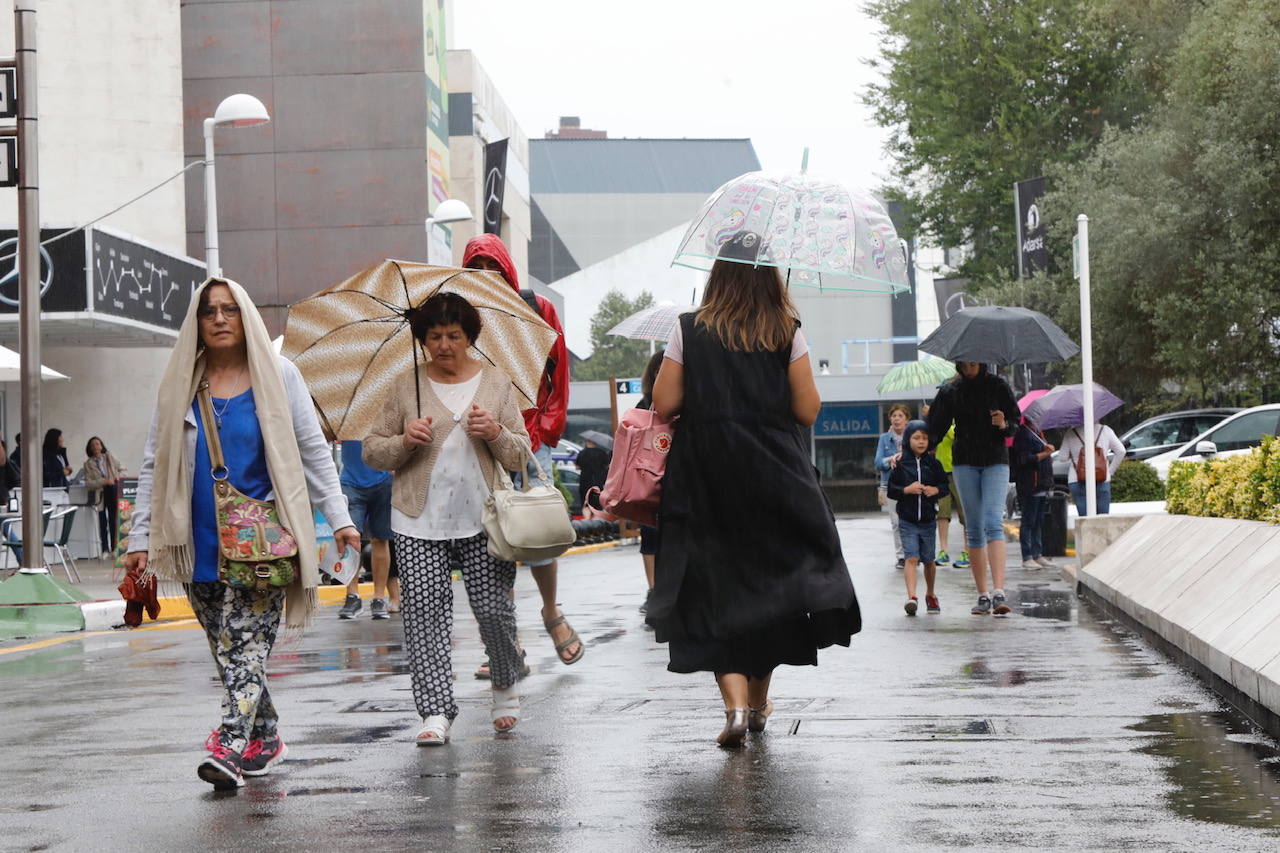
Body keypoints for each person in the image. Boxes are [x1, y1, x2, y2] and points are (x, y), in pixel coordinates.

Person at [126, 278, 359, 790]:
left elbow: (312, 451)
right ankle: (267, 735)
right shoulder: (180, 382)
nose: (220, 318)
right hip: (195, 543)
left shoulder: (280, 375)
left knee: (244, 647)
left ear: (246, 315)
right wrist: (139, 538)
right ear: (197, 322)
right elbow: (154, 461)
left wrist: (340, 518)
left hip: (264, 544)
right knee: (230, 651)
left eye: (230, 309)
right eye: (209, 311)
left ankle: (229, 744)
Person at [648, 232, 861, 748]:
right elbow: (808, 410)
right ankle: (760, 702)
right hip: (773, 475)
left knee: (715, 590)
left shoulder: (688, 330)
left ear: (717, 273)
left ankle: (737, 708)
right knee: (772, 590)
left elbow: (664, 402)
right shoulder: (786, 330)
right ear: (769, 274)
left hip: (705, 476)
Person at [364, 292, 532, 745]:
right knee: (423, 616)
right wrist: (404, 440)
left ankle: (504, 684)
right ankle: (436, 710)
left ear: (469, 337)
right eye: (434, 336)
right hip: (417, 521)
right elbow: (372, 450)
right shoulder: (404, 387)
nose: (444, 344)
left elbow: (520, 453)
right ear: (421, 339)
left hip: (485, 520)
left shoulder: (496, 384)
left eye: (454, 335)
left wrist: (495, 432)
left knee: (495, 611)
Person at [462, 234, 582, 668]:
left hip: (531, 439)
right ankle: (502, 638)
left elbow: (559, 372)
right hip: (480, 440)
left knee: (539, 530)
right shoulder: (462, 318)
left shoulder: (535, 308)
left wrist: (548, 430)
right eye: (476, 271)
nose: (486, 278)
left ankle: (552, 612)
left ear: (507, 270)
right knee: (495, 538)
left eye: (493, 269)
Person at [927, 362, 1020, 616]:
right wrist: (921, 443)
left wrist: (1003, 424)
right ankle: (982, 594)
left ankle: (999, 591)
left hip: (995, 461)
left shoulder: (998, 386)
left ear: (981, 361)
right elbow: (935, 427)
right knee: (974, 527)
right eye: (964, 361)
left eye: (973, 361)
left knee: (992, 522)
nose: (969, 366)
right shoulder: (951, 391)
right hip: (965, 462)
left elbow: (1015, 420)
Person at [886, 419, 949, 615]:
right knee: (911, 558)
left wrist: (934, 489)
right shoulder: (901, 464)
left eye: (924, 438)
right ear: (908, 440)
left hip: (928, 520)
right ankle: (911, 596)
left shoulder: (934, 464)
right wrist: (907, 489)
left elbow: (945, 487)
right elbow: (891, 490)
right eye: (916, 438)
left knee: (929, 560)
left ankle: (930, 594)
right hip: (907, 520)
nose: (921, 442)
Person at [336, 439, 400, 619]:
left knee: (381, 539)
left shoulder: (383, 414)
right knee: (350, 540)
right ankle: (352, 596)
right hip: (350, 481)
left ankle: (379, 598)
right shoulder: (346, 415)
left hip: (383, 479)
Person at [635, 349, 665, 619]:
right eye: (658, 370)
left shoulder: (688, 401)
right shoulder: (643, 405)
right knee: (649, 534)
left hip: (677, 477)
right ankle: (653, 590)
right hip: (649, 478)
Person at [1011, 416, 1057, 569]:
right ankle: (1027, 556)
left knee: (1038, 521)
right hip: (1029, 485)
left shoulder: (1039, 433)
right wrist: (1045, 453)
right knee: (1029, 521)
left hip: (1042, 484)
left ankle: (1038, 554)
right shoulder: (1023, 434)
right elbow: (1023, 460)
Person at [1058, 422, 1126, 517]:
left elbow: (1062, 457)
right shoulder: (1105, 430)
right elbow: (1121, 451)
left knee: (1085, 518)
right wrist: (1110, 471)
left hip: (1077, 478)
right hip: (1102, 478)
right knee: (1102, 518)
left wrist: (1074, 454)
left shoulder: (1071, 433)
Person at [875, 404, 910, 569]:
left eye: (900, 416)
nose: (896, 419)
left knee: (910, 520)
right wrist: (891, 459)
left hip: (910, 484)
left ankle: (912, 552)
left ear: (906, 420)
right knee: (896, 522)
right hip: (890, 485)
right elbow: (878, 463)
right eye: (894, 416)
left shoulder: (912, 437)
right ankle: (901, 556)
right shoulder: (884, 438)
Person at [81, 437, 127, 557]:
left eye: (98, 444)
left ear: (101, 446)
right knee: (102, 522)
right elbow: (89, 484)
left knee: (113, 520)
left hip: (112, 490)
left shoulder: (109, 457)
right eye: (93, 445)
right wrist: (103, 481)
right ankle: (104, 549)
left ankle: (114, 548)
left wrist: (117, 477)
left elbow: (123, 469)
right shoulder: (88, 464)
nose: (96, 447)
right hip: (100, 494)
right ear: (90, 448)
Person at [933, 424, 970, 569]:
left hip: (959, 469)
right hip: (941, 470)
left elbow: (956, 435)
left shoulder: (959, 415)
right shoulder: (941, 416)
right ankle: (943, 551)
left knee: (965, 513)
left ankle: (968, 551)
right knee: (942, 512)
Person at [574, 437, 610, 515]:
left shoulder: (582, 453)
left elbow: (577, 467)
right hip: (598, 482)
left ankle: (587, 520)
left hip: (585, 482)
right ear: (595, 442)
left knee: (585, 503)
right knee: (597, 504)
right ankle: (598, 522)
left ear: (587, 442)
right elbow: (607, 466)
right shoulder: (602, 453)